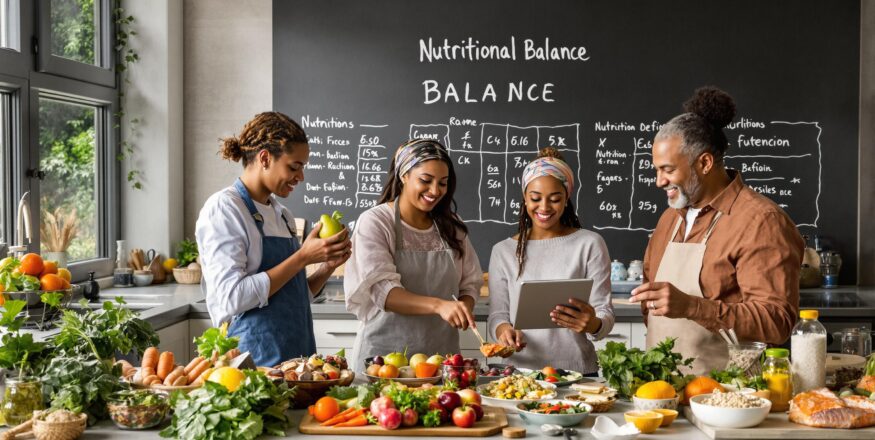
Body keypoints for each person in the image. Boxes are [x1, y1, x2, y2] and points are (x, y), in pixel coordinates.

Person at [630, 87, 804, 375]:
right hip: (663, 392)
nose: (659, 181)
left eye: (668, 170)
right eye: (656, 170)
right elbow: (652, 303)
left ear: (705, 163)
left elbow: (777, 321)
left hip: (728, 396)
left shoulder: (760, 221)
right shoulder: (668, 220)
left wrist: (693, 307)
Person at [196, 112, 351, 367]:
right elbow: (231, 298)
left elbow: (292, 297)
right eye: (294, 167)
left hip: (298, 362)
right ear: (265, 158)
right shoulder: (225, 209)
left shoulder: (283, 215)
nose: (300, 177)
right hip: (253, 364)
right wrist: (302, 257)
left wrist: (326, 267)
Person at [344, 139, 483, 370]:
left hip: (441, 361)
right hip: (384, 363)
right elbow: (384, 294)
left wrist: (464, 307)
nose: (435, 191)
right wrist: (440, 306)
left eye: (443, 183)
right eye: (425, 181)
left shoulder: (453, 227)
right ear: (404, 175)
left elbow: (470, 284)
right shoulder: (377, 221)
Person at [487, 148, 614, 374]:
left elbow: (604, 311)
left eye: (555, 199)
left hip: (578, 373)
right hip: (519, 373)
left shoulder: (590, 244)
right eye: (535, 198)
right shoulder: (503, 251)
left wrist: (592, 323)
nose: (544, 207)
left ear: (566, 199)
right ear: (525, 198)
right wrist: (504, 330)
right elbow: (498, 314)